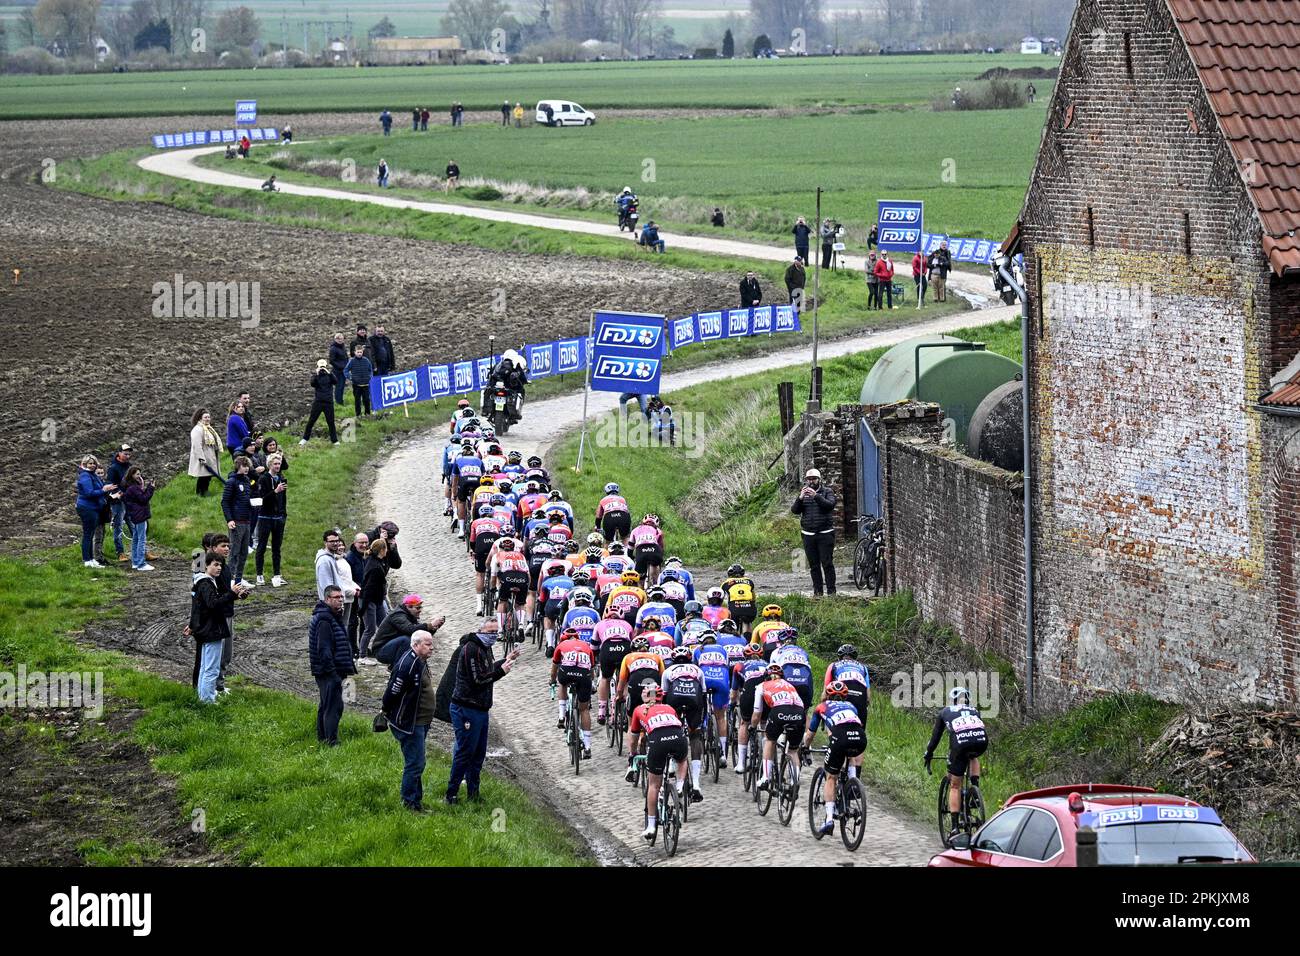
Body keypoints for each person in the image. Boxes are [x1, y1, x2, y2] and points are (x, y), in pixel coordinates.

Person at [447, 622, 519, 804]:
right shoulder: (471, 649)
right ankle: (451, 794)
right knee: (465, 753)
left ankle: (474, 794)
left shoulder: (486, 648)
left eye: (496, 632)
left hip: (481, 709)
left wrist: (505, 661)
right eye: (490, 632)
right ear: (480, 631)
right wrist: (501, 672)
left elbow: (487, 670)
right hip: (466, 707)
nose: (494, 635)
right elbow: (478, 679)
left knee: (478, 754)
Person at [801, 680, 867, 836]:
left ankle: (829, 819)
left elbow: (810, 734)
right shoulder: (851, 706)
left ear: (827, 695)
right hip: (860, 738)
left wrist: (805, 747)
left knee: (831, 777)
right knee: (850, 755)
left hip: (840, 739)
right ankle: (852, 783)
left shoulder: (821, 707)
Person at [625, 683, 689, 841]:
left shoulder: (639, 710)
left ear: (644, 697)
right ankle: (680, 785)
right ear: (661, 697)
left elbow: (633, 739)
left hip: (658, 742)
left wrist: (632, 755)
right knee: (682, 759)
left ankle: (651, 826)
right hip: (677, 737)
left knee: (653, 785)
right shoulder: (669, 708)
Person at [925, 686, 988, 842]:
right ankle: (975, 789)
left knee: (955, 785)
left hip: (960, 745)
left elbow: (935, 738)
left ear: (951, 700)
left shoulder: (945, 711)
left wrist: (929, 753)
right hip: (981, 742)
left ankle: (954, 828)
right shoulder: (974, 710)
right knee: (973, 756)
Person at [382, 629, 436, 810]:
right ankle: (410, 803)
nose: (432, 648)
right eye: (427, 644)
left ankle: (416, 800)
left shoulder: (420, 660)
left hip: (420, 722)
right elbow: (392, 692)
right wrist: (387, 712)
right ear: (415, 645)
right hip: (409, 724)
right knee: (415, 763)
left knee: (417, 762)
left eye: (431, 644)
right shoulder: (407, 665)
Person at [309, 585, 355, 745]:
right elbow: (324, 650)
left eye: (341, 597)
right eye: (337, 597)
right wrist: (333, 673)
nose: (341, 600)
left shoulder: (331, 616)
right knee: (333, 707)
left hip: (331, 670)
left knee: (326, 705)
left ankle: (323, 738)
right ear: (327, 599)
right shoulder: (325, 619)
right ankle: (331, 741)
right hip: (329, 672)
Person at [752, 661, 807, 791]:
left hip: (780, 711)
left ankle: (766, 777)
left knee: (770, 741)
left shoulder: (762, 685)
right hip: (799, 713)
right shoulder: (790, 685)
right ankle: (795, 781)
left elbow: (757, 713)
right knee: (793, 750)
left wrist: (752, 727)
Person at [192, 551, 237, 702]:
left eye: (220, 565)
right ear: (206, 565)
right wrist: (231, 594)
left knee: (206, 667)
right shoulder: (206, 583)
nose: (219, 568)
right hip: (212, 630)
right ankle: (208, 701)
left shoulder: (205, 582)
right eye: (215, 565)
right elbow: (213, 604)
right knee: (211, 668)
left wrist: (192, 625)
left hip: (206, 629)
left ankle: (203, 697)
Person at [551, 625, 595, 758]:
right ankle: (587, 746)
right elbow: (592, 671)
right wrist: (590, 684)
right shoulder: (586, 646)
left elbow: (554, 668)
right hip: (584, 675)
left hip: (567, 672)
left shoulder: (561, 645)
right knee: (584, 709)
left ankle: (561, 715)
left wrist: (552, 680)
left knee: (562, 684)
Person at [792, 467, 837, 596]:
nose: (811, 481)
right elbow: (795, 510)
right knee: (814, 565)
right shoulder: (803, 494)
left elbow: (829, 506)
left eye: (814, 479)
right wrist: (800, 498)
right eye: (809, 479)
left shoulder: (827, 492)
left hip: (825, 534)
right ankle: (818, 592)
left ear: (819, 480)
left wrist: (816, 496)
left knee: (827, 563)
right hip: (808, 535)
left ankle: (831, 592)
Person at [221, 456, 256, 587]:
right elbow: (225, 502)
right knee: (234, 552)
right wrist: (229, 519)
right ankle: (229, 580)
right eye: (244, 465)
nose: (246, 468)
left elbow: (246, 499)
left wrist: (253, 504)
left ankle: (239, 579)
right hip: (236, 521)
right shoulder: (231, 481)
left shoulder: (247, 481)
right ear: (238, 466)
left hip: (247, 521)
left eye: (247, 465)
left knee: (244, 552)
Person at [253, 454, 287, 587]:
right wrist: (275, 491)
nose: (277, 466)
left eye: (279, 464)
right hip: (265, 517)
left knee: (276, 547)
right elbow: (262, 498)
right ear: (269, 465)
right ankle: (259, 575)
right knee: (261, 546)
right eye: (275, 464)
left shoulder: (282, 478)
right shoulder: (263, 479)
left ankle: (277, 574)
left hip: (279, 517)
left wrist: (284, 514)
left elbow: (283, 499)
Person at [358, 538, 390, 664]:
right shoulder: (375, 567)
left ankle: (383, 650)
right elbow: (368, 588)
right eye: (385, 548)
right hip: (369, 601)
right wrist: (363, 609)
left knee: (384, 625)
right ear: (382, 550)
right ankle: (362, 655)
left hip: (377, 600)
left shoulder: (376, 561)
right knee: (370, 629)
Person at [75, 456, 108, 567]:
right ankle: (87, 560)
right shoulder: (85, 475)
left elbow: (100, 487)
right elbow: (89, 493)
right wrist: (103, 490)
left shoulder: (92, 475)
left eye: (94, 463)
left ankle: (91, 559)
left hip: (93, 508)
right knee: (88, 534)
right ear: (84, 464)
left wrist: (106, 488)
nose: (93, 465)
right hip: (87, 508)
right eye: (90, 463)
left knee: (91, 533)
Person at [122, 466, 156, 571]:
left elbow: (140, 496)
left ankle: (135, 562)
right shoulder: (134, 488)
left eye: (140, 474)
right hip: (140, 515)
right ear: (132, 475)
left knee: (136, 539)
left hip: (135, 515)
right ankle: (141, 563)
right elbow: (144, 498)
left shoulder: (131, 487)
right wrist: (151, 488)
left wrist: (143, 485)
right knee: (141, 539)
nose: (139, 476)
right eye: (137, 474)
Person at [104, 444, 133, 563]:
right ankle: (120, 552)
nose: (127, 456)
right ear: (119, 453)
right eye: (125, 453)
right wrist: (118, 494)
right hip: (118, 501)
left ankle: (142, 550)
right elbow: (111, 484)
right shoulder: (113, 468)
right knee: (118, 526)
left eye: (129, 454)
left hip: (130, 500)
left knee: (134, 525)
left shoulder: (130, 467)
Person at [301, 360, 340, 445]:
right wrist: (316, 374)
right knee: (311, 421)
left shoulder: (330, 375)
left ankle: (335, 440)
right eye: (320, 367)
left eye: (323, 367)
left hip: (328, 402)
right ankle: (305, 439)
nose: (322, 369)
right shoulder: (316, 376)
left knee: (330, 422)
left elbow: (336, 381)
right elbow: (312, 383)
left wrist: (329, 373)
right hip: (318, 402)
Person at [189, 408, 223, 496]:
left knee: (207, 476)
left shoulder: (208, 428)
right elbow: (197, 445)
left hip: (210, 455)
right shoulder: (197, 429)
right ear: (200, 418)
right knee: (203, 476)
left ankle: (203, 492)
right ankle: (201, 492)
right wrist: (201, 458)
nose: (208, 419)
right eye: (205, 417)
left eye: (208, 417)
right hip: (203, 457)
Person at [344, 344, 373, 417]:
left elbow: (370, 370)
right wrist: (350, 377)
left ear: (362, 352)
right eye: (358, 352)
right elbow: (346, 370)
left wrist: (370, 377)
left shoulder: (366, 360)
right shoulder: (352, 361)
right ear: (354, 352)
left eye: (360, 352)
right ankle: (358, 414)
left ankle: (367, 413)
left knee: (366, 399)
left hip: (366, 384)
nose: (359, 354)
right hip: (356, 385)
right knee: (357, 400)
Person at [328, 333, 349, 404]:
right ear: (335, 339)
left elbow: (345, 357)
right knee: (338, 387)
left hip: (344, 370)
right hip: (337, 371)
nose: (340, 340)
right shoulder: (333, 348)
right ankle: (338, 402)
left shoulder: (342, 347)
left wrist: (347, 366)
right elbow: (331, 361)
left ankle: (340, 400)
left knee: (342, 386)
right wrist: (340, 367)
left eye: (342, 339)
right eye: (338, 339)